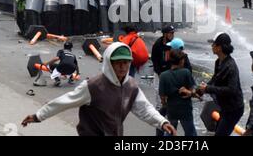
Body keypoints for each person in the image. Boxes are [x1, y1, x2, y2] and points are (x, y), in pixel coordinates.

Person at [21, 42, 177, 136]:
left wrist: (162, 122)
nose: (123, 66)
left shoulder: (131, 86)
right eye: (118, 62)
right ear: (110, 63)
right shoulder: (93, 86)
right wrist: (38, 116)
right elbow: (63, 102)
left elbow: (144, 109)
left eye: (126, 62)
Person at [194, 32, 244, 136]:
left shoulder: (230, 66)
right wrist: (201, 90)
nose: (212, 46)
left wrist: (208, 89)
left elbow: (231, 90)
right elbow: (215, 80)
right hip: (225, 107)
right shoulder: (219, 62)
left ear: (219, 47)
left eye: (214, 44)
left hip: (233, 109)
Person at [159, 49, 197, 136]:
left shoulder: (164, 75)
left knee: (170, 131)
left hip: (172, 108)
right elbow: (192, 89)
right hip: (185, 108)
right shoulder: (186, 72)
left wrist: (165, 104)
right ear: (181, 61)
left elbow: (162, 95)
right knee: (190, 131)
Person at [151, 24, 175, 136]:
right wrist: (161, 74)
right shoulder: (157, 45)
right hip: (159, 74)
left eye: (173, 33)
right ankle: (159, 120)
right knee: (158, 96)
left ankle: (170, 117)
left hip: (170, 74)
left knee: (170, 96)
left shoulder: (173, 45)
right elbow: (155, 62)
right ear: (165, 34)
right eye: (170, 33)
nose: (172, 35)